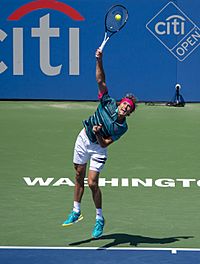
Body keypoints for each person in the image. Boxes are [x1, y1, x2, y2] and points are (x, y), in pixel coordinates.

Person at [62, 48, 136, 239]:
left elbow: (104, 144)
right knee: (78, 175)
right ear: (120, 103)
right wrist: (99, 60)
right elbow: (100, 81)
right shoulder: (108, 102)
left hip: (97, 147)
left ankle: (99, 218)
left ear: (129, 113)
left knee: (92, 182)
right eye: (125, 103)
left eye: (129, 107)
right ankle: (76, 211)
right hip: (83, 138)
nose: (125, 107)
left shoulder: (122, 128)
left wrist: (98, 135)